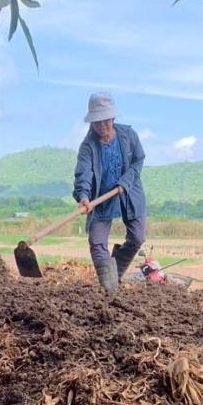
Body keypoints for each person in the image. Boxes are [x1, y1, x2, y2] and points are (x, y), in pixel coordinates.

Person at [73, 92, 147, 292]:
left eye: (105, 121)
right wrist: (84, 196)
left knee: (137, 238)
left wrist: (125, 182)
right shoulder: (88, 147)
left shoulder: (129, 136)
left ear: (113, 118)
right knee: (97, 243)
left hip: (128, 193)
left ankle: (116, 272)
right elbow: (83, 174)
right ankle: (110, 290)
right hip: (100, 198)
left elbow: (138, 160)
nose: (102, 127)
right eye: (97, 123)